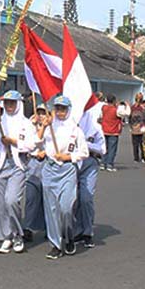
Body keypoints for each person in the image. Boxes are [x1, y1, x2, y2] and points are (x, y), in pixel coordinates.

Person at [38, 95, 89, 260]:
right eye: (57, 108)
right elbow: (34, 143)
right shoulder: (49, 126)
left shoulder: (76, 130)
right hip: (49, 170)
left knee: (66, 208)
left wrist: (68, 157)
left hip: (67, 170)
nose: (60, 112)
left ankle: (69, 235)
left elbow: (84, 152)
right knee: (51, 209)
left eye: (63, 109)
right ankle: (55, 244)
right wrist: (43, 127)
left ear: (68, 110)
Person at [0, 89, 36, 255]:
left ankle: (17, 235)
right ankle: (7, 235)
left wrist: (13, 141)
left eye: (12, 103)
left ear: (18, 104)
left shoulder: (26, 123)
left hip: (17, 164)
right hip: (0, 163)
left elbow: (31, 145)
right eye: (6, 102)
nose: (9, 106)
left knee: (11, 200)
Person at [74, 97, 105, 249]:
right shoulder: (68, 125)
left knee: (86, 198)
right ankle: (74, 230)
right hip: (71, 164)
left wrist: (86, 144)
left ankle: (87, 232)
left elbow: (102, 149)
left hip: (89, 163)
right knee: (73, 200)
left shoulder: (95, 127)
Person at [23, 102, 48, 243]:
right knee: (31, 198)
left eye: (43, 112)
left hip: (46, 163)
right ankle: (28, 227)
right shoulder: (29, 126)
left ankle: (48, 227)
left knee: (47, 198)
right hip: (32, 163)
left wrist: (45, 152)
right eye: (39, 112)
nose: (41, 115)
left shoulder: (52, 128)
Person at [100, 95, 123, 172]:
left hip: (104, 130)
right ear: (114, 101)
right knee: (112, 149)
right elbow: (127, 113)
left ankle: (103, 164)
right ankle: (109, 164)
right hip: (113, 131)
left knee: (104, 148)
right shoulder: (116, 110)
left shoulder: (104, 108)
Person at [129, 95, 145, 163]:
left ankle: (138, 158)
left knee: (138, 143)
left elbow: (130, 118)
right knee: (140, 143)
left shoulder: (133, 107)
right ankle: (140, 157)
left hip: (136, 127)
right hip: (138, 127)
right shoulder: (141, 108)